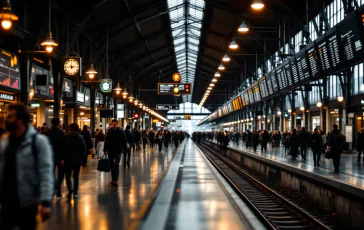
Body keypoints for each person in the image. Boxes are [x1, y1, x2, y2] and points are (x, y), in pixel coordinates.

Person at [0, 103, 54, 230]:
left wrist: (45, 201)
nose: (7, 119)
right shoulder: (4, 142)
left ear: (21, 119)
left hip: (27, 203)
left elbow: (45, 171)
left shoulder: (39, 142)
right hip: (6, 202)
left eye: (11, 117)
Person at [64, 123, 86, 199]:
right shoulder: (80, 137)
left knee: (67, 176)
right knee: (76, 176)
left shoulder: (66, 136)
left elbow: (62, 148)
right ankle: (75, 192)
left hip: (68, 159)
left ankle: (70, 189)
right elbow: (84, 148)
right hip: (77, 159)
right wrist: (83, 160)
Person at [103, 120, 128, 185]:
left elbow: (124, 140)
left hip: (118, 151)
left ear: (117, 124)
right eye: (113, 124)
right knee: (111, 165)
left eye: (115, 124)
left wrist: (124, 149)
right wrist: (105, 150)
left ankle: (115, 179)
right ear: (111, 124)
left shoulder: (121, 132)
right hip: (110, 151)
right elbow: (106, 141)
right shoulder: (109, 132)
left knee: (116, 165)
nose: (114, 125)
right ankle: (113, 178)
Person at [46, 117, 66, 198]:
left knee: (52, 173)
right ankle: (58, 189)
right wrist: (63, 158)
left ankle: (54, 188)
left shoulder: (48, 133)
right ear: (58, 124)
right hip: (59, 156)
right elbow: (62, 146)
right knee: (61, 173)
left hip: (50, 156)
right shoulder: (61, 133)